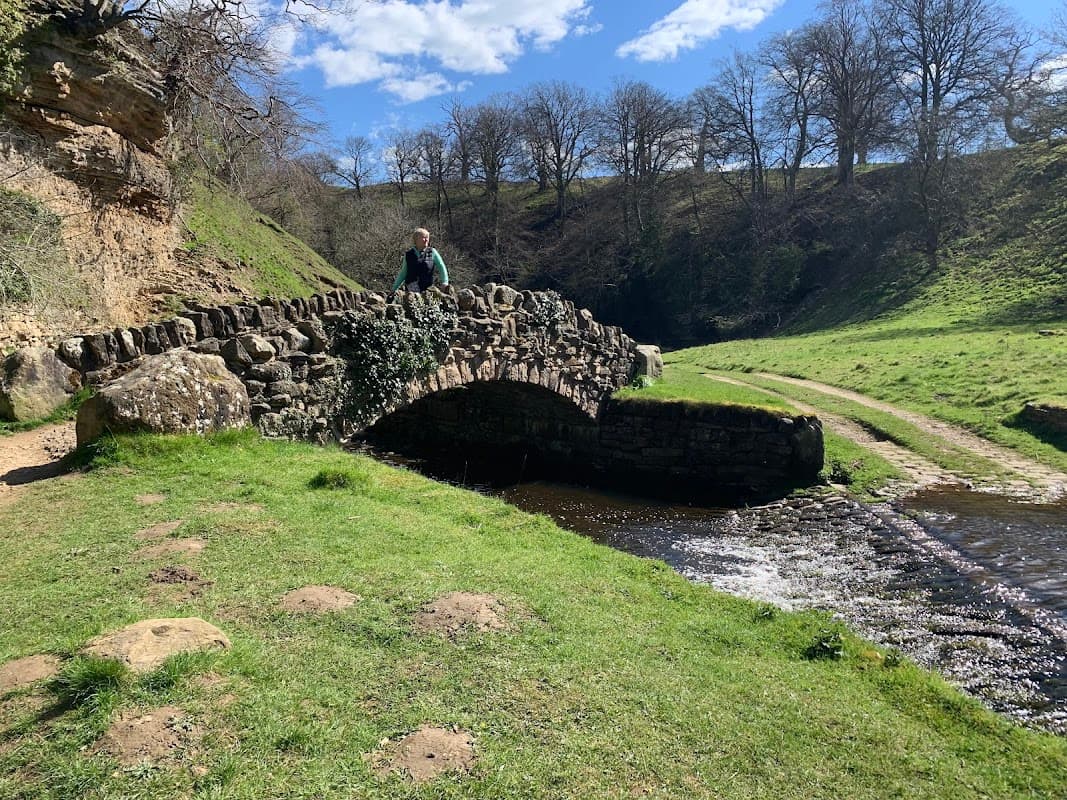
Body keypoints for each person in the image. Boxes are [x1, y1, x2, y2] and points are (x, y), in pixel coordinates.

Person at [393, 228, 449, 292]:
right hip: (411, 292)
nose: (426, 240)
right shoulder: (408, 255)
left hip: (428, 291)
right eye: (424, 237)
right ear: (416, 240)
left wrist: (445, 282)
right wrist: (394, 289)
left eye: (427, 237)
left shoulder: (433, 252)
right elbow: (403, 273)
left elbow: (441, 267)